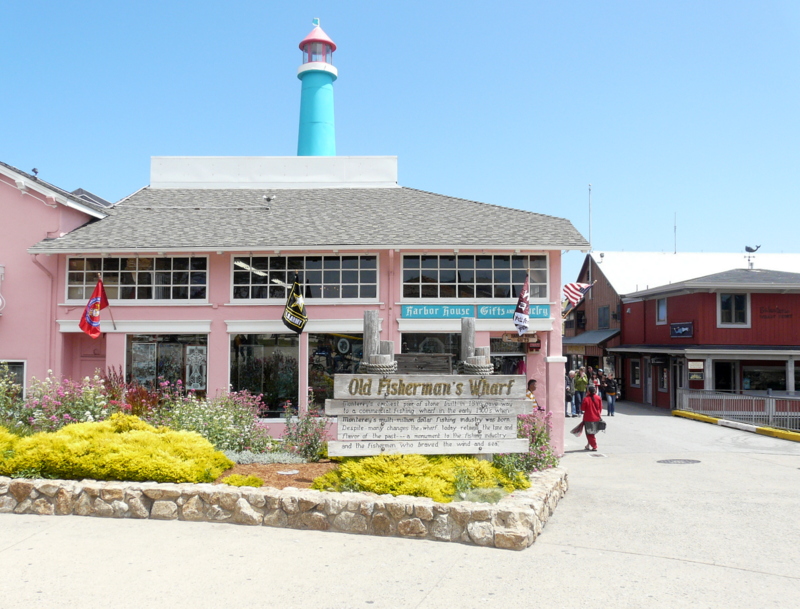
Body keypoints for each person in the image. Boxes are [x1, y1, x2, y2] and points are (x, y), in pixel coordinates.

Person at [581, 385, 603, 451]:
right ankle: (588, 445)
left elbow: (582, 408)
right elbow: (600, 408)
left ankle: (594, 446)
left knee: (589, 433)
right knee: (592, 432)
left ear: (588, 391)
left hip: (588, 418)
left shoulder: (586, 399)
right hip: (596, 417)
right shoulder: (598, 398)